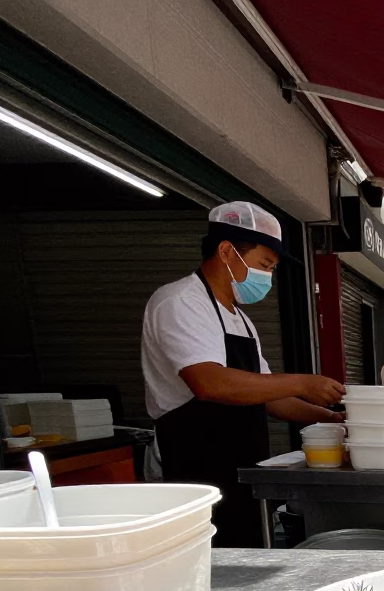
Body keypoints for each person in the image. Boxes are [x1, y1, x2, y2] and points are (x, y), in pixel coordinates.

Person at [142, 201, 345, 547]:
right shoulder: (179, 302)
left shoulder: (241, 319)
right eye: (265, 264)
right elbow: (210, 383)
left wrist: (333, 418)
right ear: (226, 251)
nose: (268, 276)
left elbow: (272, 398)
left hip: (243, 470)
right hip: (196, 471)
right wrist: (303, 381)